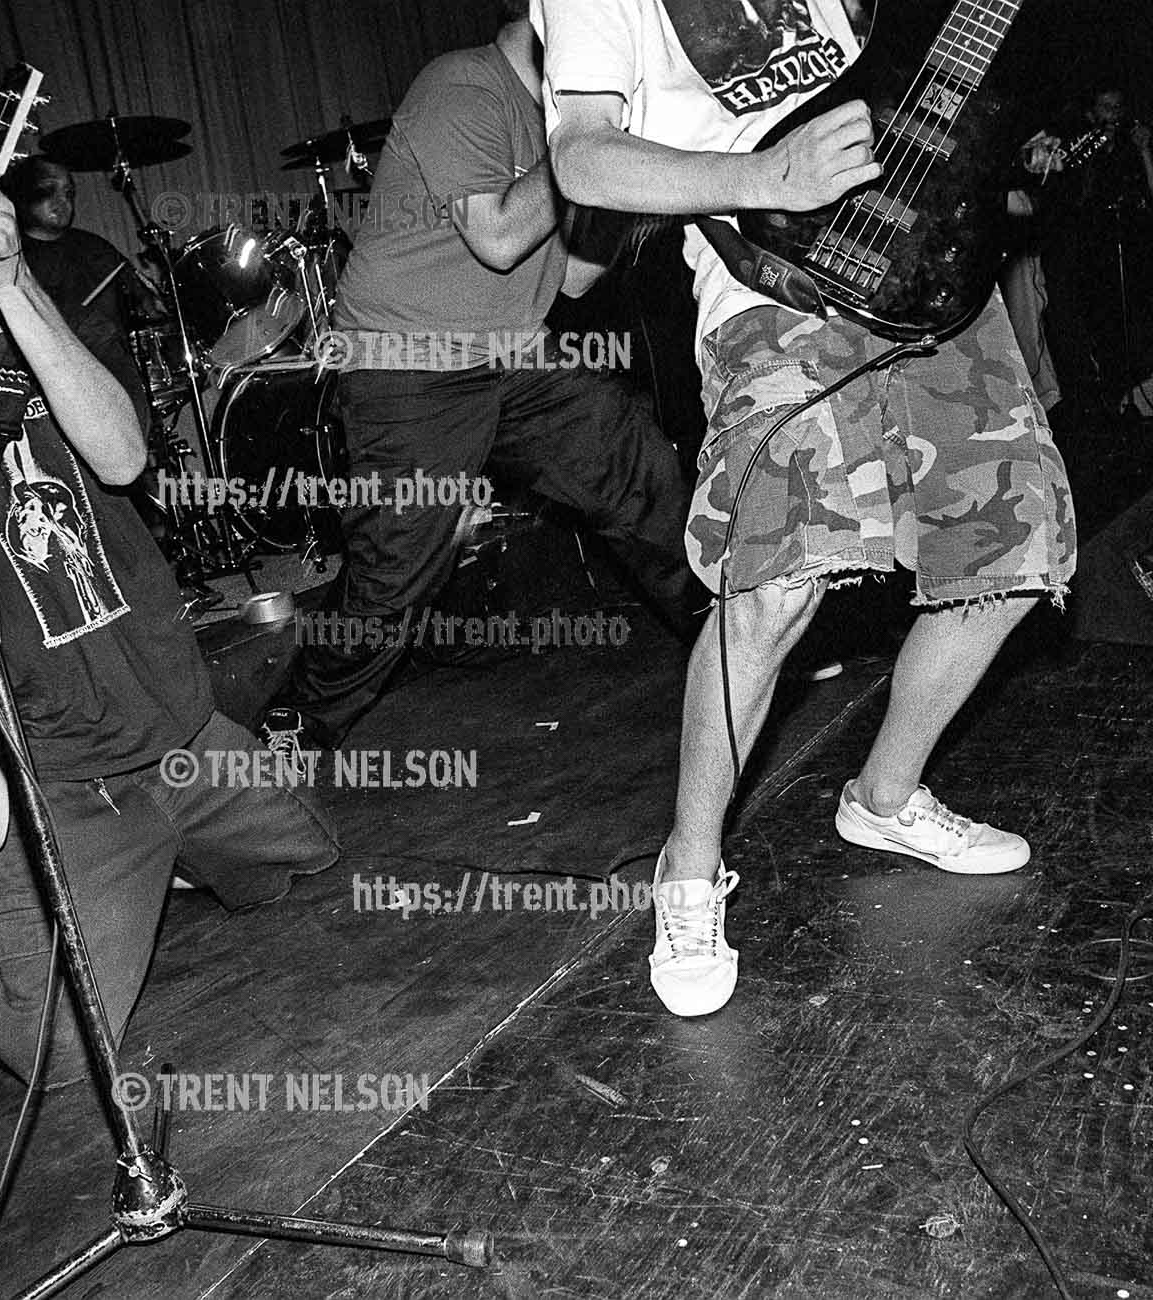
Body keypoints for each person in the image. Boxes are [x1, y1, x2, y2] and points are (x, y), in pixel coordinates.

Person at [535, 0, 1076, 1017]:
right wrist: (759, 177)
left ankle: (882, 798)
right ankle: (688, 872)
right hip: (770, 278)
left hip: (932, 260)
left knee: (1016, 541)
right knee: (777, 577)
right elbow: (581, 159)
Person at [0, 141, 339, 1088]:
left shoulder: (53, 329)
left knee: (299, 864)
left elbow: (127, 456)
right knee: (49, 1046)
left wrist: (14, 285)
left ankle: (154, 865)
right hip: (48, 781)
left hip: (175, 729)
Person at [268, 0, 702, 752]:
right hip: (409, 364)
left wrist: (625, 187)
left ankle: (730, 632)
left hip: (510, 355)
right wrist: (581, 156)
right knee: (393, 577)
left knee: (634, 462)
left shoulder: (573, 115)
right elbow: (499, 237)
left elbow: (570, 282)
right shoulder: (462, 86)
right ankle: (294, 725)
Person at [1036, 86, 1153, 415]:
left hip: (1122, 246)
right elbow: (1062, 189)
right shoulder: (1077, 144)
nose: (1114, 114)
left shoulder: (1130, 147)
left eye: (1118, 107)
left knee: (1123, 319)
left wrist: (1144, 151)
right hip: (1079, 244)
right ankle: (1088, 394)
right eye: (1106, 107)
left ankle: (1126, 391)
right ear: (1091, 113)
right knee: (1077, 318)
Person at [0, 154, 167, 331]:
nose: (63, 201)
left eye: (68, 193)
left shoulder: (95, 247)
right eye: (48, 189)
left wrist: (153, 293)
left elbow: (147, 304)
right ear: (21, 195)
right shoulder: (8, 257)